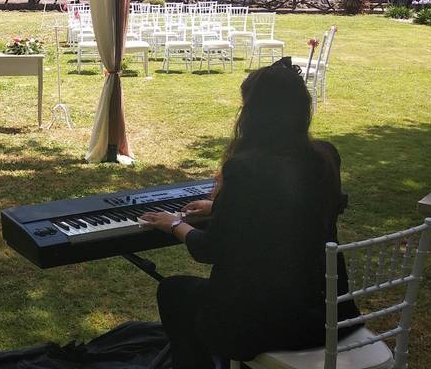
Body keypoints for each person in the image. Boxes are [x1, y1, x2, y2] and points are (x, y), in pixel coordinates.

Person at [140, 58, 360, 369]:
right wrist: (219, 207)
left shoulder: (246, 168)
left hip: (267, 324)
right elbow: (293, 209)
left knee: (173, 292)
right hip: (329, 316)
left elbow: (209, 249)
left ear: (255, 114)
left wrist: (173, 224)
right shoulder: (325, 156)